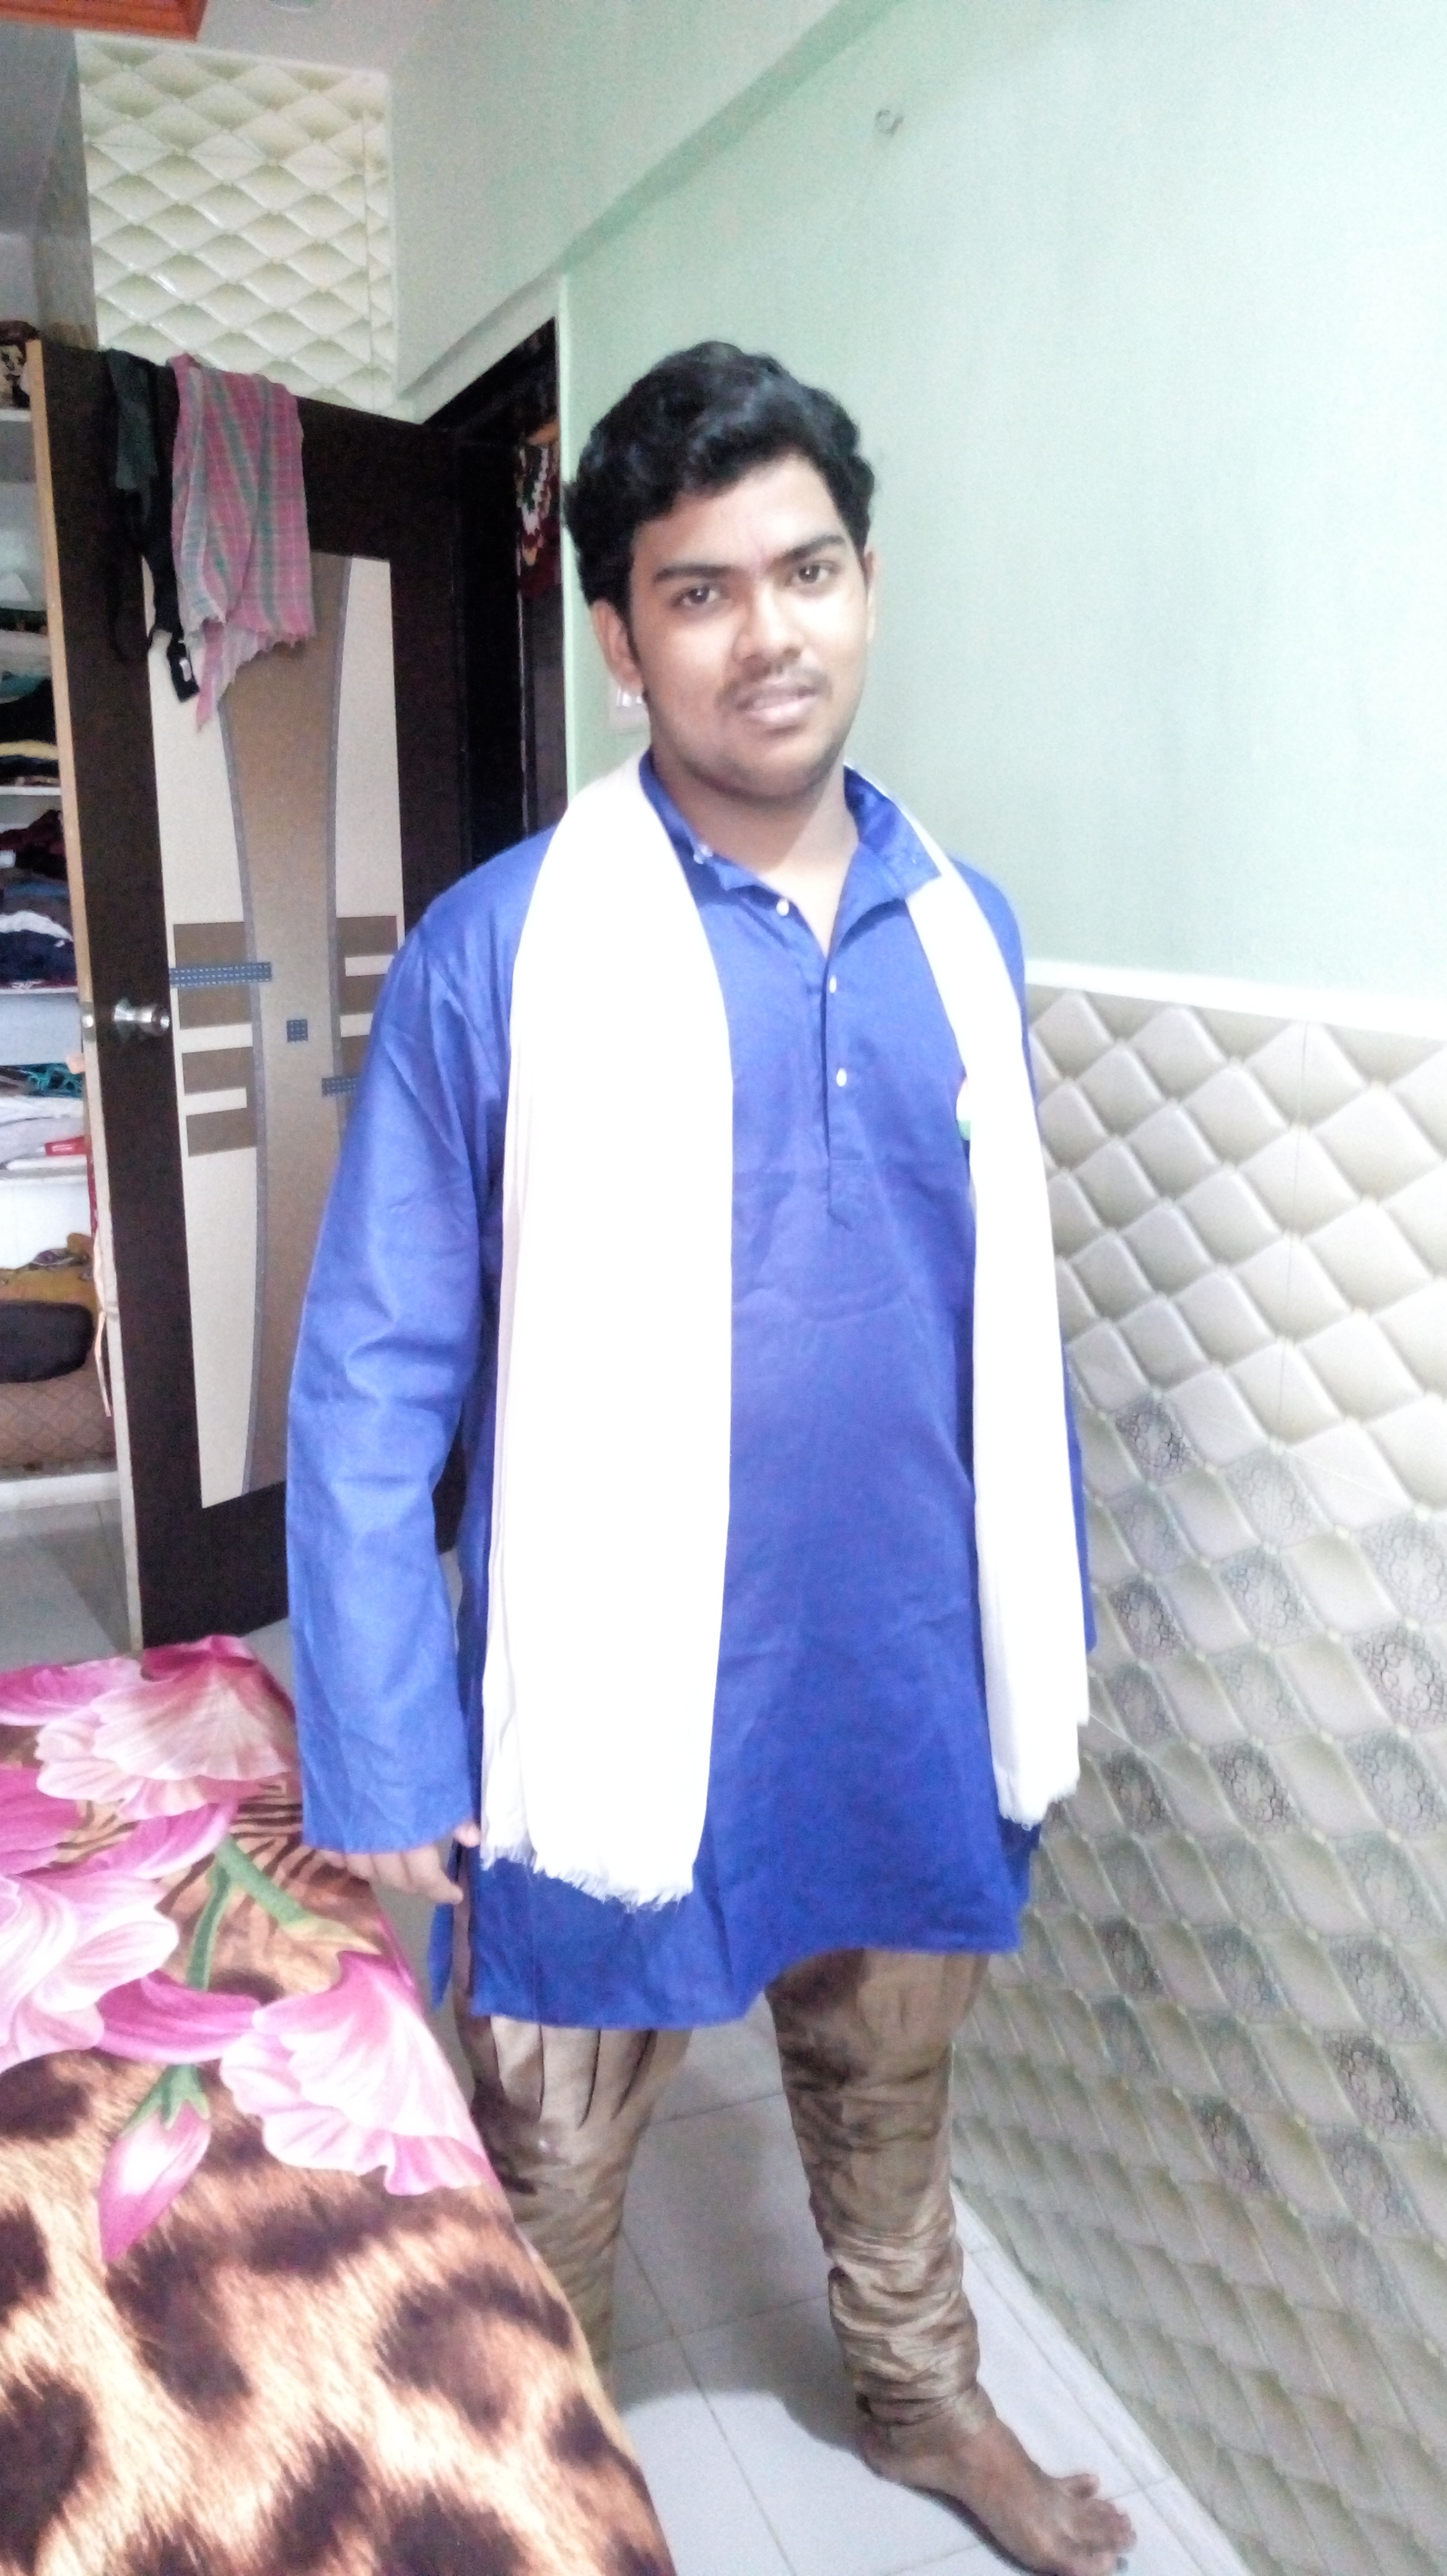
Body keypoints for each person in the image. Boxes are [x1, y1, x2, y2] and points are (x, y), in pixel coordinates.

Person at [288, 343, 1134, 2576]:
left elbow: (999, 1336)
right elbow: (373, 1370)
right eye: (701, 590)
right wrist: (383, 1741)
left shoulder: (961, 927)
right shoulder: (500, 952)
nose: (770, 635)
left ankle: (923, 2401)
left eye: (810, 570)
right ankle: (536, 2480)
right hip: (612, 1702)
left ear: (868, 583)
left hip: (903, 1671)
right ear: (619, 636)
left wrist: (1036, 1647)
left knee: (890, 2096)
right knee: (554, 2156)